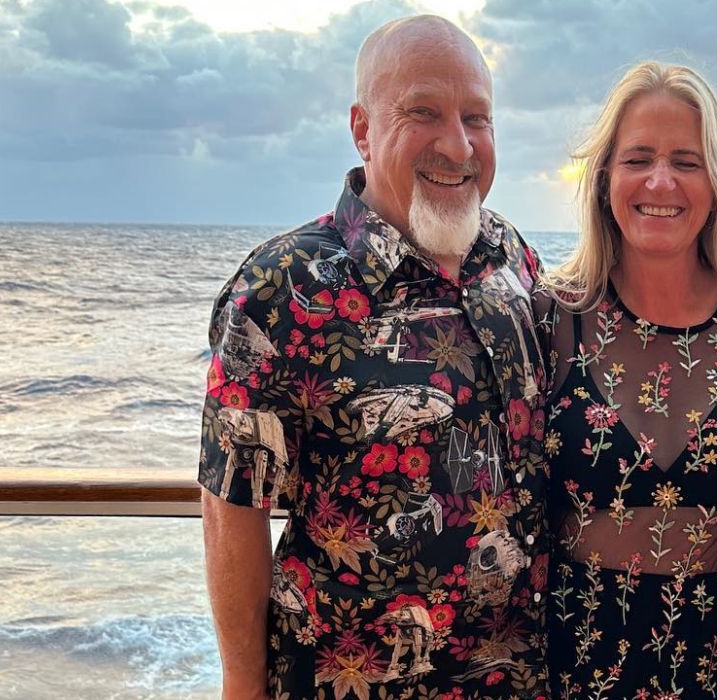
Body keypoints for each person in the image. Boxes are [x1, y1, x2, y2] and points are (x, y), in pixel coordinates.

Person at [198, 15, 549, 699]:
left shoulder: (510, 257)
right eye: (424, 112)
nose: (459, 143)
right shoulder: (279, 289)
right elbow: (231, 507)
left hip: (517, 679)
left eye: (478, 118)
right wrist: (241, 682)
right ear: (362, 128)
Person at [538, 61, 717, 699]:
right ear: (604, 176)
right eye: (638, 158)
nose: (660, 181)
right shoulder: (552, 314)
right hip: (571, 665)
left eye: (687, 161)